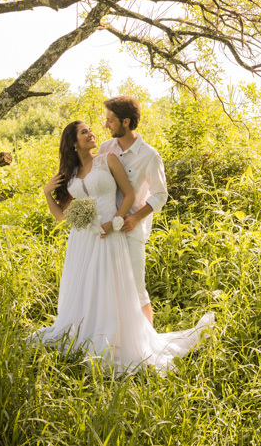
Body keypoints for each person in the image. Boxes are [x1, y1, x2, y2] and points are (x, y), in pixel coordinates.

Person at [34, 120, 210, 373]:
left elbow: (127, 195)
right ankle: (85, 332)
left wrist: (114, 222)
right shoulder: (70, 173)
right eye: (84, 132)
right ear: (73, 143)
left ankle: (115, 341)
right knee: (85, 286)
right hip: (81, 238)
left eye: (90, 129)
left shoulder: (108, 159)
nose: (92, 133)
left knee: (111, 287)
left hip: (109, 234)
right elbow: (63, 216)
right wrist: (47, 192)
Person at [97, 95, 167, 325]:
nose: (105, 125)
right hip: (107, 227)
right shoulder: (105, 148)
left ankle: (147, 343)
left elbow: (160, 194)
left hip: (131, 230)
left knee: (137, 289)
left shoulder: (149, 156)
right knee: (108, 288)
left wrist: (136, 217)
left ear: (125, 122)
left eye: (110, 120)